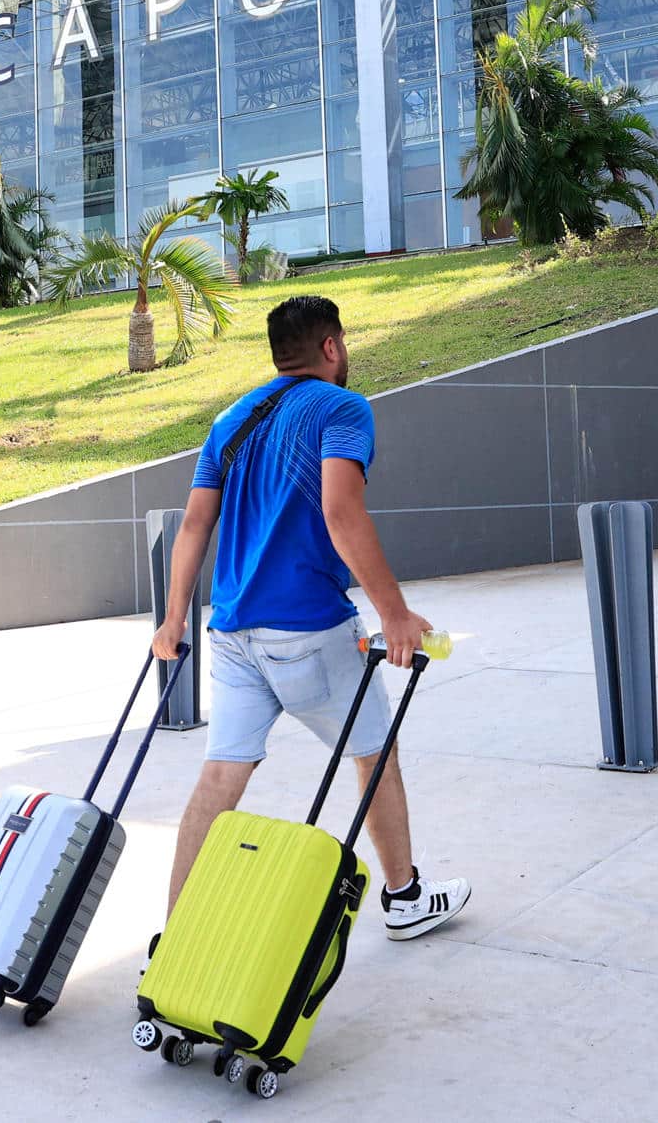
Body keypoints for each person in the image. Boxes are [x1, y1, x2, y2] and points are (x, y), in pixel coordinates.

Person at [151, 294, 471, 941]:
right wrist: (396, 613)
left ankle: (175, 939)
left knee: (221, 773)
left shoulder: (231, 421)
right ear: (331, 346)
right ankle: (405, 897)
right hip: (307, 628)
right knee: (372, 750)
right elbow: (341, 511)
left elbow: (193, 523)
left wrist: (172, 618)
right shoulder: (340, 407)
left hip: (231, 631)